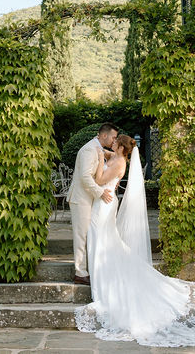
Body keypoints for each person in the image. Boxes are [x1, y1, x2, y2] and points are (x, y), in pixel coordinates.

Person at [76, 134, 195, 347]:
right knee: (106, 241)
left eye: (115, 141)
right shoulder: (118, 157)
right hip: (105, 202)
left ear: (120, 147)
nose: (112, 142)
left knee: (101, 240)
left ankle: (102, 286)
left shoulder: (117, 162)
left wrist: (100, 161)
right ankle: (101, 281)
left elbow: (99, 180)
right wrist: (100, 151)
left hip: (104, 202)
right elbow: (107, 153)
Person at [67, 123, 118, 286]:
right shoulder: (89, 149)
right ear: (104, 136)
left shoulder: (98, 147)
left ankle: (89, 268)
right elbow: (85, 177)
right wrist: (101, 192)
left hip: (90, 199)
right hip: (81, 198)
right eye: (113, 137)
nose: (114, 140)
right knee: (81, 235)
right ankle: (80, 272)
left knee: (89, 234)